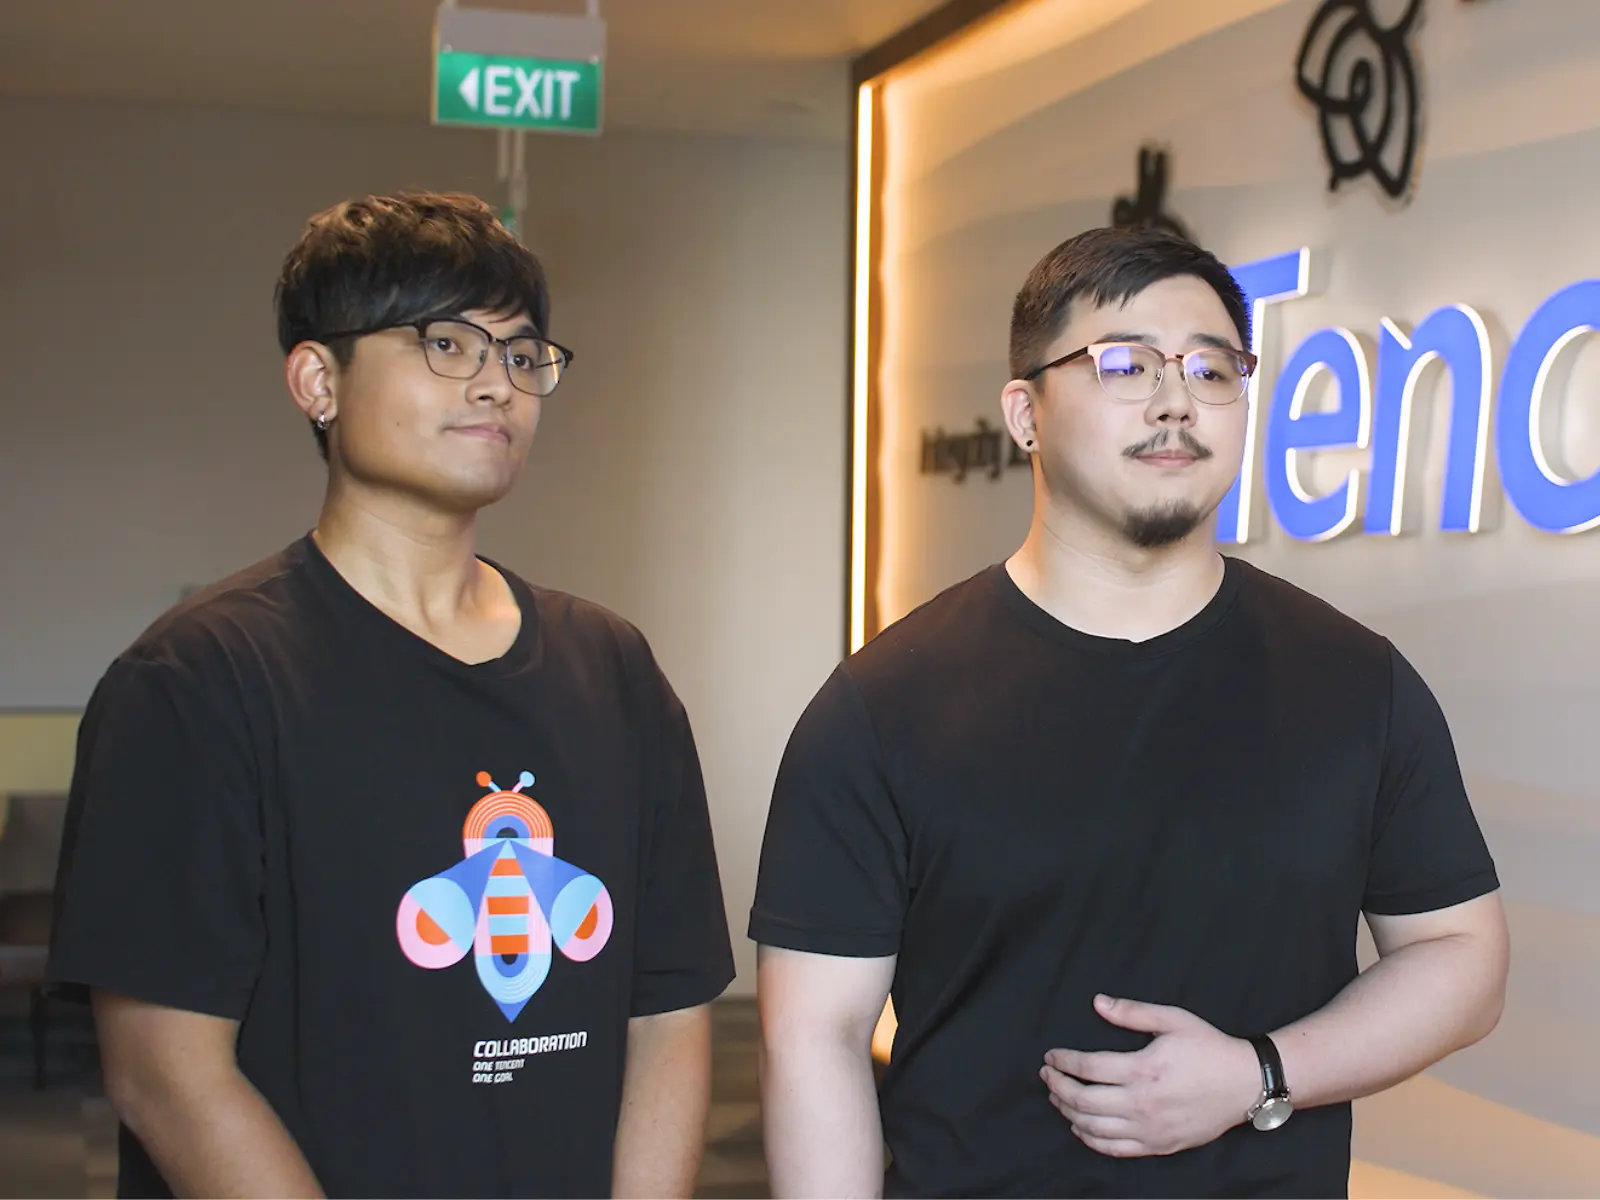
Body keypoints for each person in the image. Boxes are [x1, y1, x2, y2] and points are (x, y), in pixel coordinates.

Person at [750, 225, 1509, 1198]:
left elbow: (1462, 959)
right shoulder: (881, 710)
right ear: (1024, 412)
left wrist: (1258, 1075)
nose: (1173, 400)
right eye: (1124, 364)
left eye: (1211, 369)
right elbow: (812, 1037)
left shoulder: (1358, 684)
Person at [49, 192, 735, 1199]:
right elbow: (167, 1073)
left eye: (522, 354)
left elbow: (667, 1018)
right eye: (447, 344)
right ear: (317, 379)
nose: (497, 384)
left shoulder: (614, 670)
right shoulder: (199, 682)